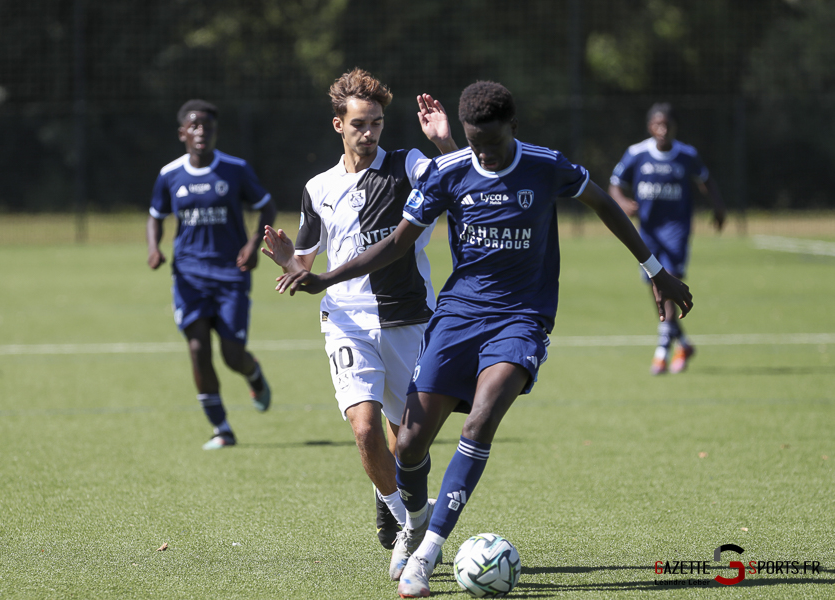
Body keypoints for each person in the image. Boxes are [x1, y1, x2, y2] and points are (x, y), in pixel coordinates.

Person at [274, 81, 693, 597]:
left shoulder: (545, 164)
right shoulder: (453, 169)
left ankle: (426, 555)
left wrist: (655, 269)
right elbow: (396, 243)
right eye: (476, 145)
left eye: (493, 145)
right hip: (456, 314)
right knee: (406, 443)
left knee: (480, 420)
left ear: (512, 128)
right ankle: (412, 522)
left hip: (521, 317)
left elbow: (604, 203)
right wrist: (326, 278)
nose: (486, 156)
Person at [262, 68, 458, 551]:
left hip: (408, 317)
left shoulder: (407, 164)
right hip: (346, 319)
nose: (368, 134)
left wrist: (445, 141)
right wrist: (291, 262)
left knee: (407, 441)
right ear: (338, 126)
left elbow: (460, 179)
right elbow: (307, 261)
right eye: (358, 125)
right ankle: (408, 519)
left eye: (375, 124)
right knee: (365, 427)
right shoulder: (318, 188)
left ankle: (399, 502)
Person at [147, 99, 277, 450]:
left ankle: (253, 372)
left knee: (232, 354)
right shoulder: (169, 174)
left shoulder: (234, 169)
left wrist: (253, 243)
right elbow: (156, 214)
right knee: (197, 348)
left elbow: (266, 204)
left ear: (216, 132)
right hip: (189, 275)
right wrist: (154, 247)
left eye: (207, 125)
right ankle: (222, 428)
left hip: (230, 275)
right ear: (182, 133)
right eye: (194, 125)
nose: (201, 131)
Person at [609, 102, 725, 375]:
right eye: (657, 124)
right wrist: (622, 201)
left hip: (676, 231)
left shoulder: (686, 155)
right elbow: (615, 183)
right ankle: (683, 343)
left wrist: (719, 206)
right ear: (650, 127)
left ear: (675, 127)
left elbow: (705, 180)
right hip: (647, 232)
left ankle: (662, 351)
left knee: (668, 280)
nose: (662, 129)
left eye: (667, 124)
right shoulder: (637, 154)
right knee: (656, 288)